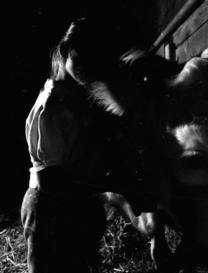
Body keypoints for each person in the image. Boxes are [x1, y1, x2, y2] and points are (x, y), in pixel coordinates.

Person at [20, 17, 133, 273]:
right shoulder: (51, 107)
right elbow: (50, 178)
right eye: (83, 58)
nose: (89, 68)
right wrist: (113, 185)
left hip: (76, 204)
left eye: (97, 60)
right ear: (64, 52)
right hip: (50, 209)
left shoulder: (79, 97)